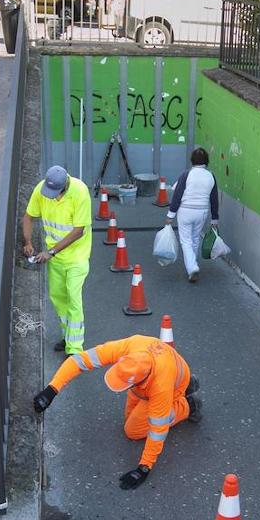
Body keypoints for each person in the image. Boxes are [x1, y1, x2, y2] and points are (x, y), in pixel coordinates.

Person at [32, 334, 202, 490]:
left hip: (172, 383)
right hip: (153, 379)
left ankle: (188, 404)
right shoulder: (130, 346)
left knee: (133, 431)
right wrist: (52, 389)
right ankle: (188, 385)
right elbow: (80, 360)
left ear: (138, 381)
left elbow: (158, 429)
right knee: (129, 419)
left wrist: (144, 467)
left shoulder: (161, 387)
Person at [22, 166, 91, 356]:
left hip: (77, 257)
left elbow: (79, 231)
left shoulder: (80, 192)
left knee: (73, 298)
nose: (51, 197)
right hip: (55, 259)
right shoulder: (41, 189)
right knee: (59, 299)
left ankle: (75, 349)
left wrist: (50, 252)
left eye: (55, 193)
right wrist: (27, 242)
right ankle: (68, 337)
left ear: (65, 185)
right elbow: (28, 217)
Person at [165, 147, 220, 283]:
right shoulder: (211, 176)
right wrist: (214, 218)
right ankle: (192, 264)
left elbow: (177, 195)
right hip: (202, 212)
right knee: (195, 238)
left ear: (192, 160)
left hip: (186, 211)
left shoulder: (186, 174)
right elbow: (214, 199)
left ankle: (192, 268)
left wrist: (170, 215)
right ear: (206, 161)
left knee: (186, 241)